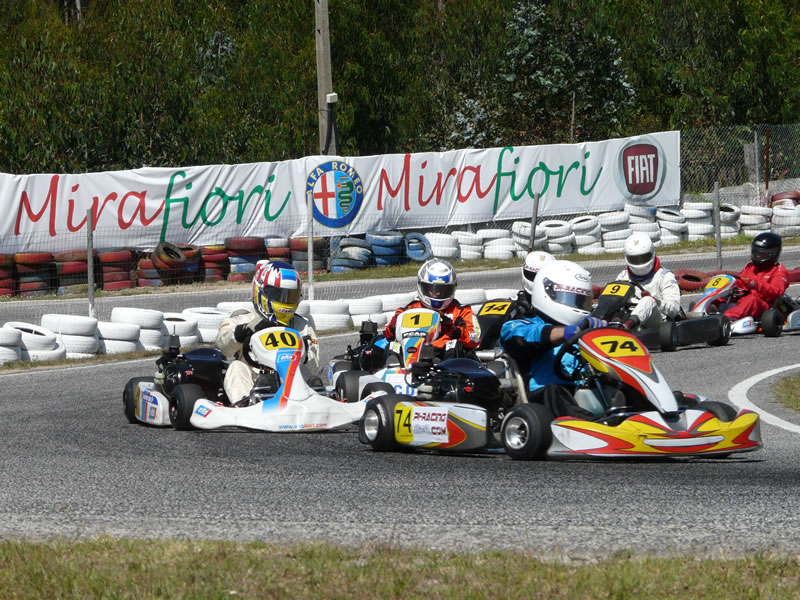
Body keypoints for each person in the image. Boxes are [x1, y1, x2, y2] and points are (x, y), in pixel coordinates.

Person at [499, 260, 608, 418]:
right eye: (574, 300)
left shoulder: (587, 328)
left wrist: (610, 331)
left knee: (622, 385)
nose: (579, 306)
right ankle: (597, 428)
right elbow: (526, 337)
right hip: (542, 404)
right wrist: (568, 332)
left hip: (587, 392)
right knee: (555, 392)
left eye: (582, 301)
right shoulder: (519, 325)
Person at [216, 259, 320, 406]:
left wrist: (304, 350)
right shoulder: (242, 320)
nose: (284, 300)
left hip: (291, 378)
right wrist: (241, 333)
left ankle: (312, 402)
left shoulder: (301, 325)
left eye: (290, 296)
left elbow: (313, 366)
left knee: (305, 371)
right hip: (254, 380)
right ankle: (246, 406)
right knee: (236, 367)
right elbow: (223, 347)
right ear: (261, 291)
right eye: (279, 294)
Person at [384, 258, 481, 356]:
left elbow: (475, 338)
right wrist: (393, 326)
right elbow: (387, 335)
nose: (437, 293)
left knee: (453, 345)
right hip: (413, 352)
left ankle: (447, 370)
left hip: (444, 356)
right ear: (422, 286)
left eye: (442, 289)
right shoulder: (407, 311)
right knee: (390, 346)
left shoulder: (461, 311)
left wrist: (456, 331)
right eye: (432, 289)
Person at [614, 232, 681, 330]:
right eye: (634, 259)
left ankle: (626, 328)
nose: (639, 262)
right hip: (626, 317)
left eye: (643, 258)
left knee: (647, 300)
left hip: (657, 323)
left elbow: (674, 309)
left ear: (652, 254)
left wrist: (656, 301)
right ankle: (599, 325)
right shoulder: (623, 276)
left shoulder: (664, 276)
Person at [723, 232, 788, 321]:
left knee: (751, 300)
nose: (758, 256)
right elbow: (741, 282)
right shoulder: (750, 267)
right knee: (719, 296)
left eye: (762, 254)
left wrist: (756, 285)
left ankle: (726, 319)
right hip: (742, 299)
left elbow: (777, 291)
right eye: (756, 253)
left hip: (764, 306)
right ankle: (705, 313)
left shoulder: (778, 271)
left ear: (773, 254)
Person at [516, 250, 555, 316]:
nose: (537, 281)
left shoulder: (560, 302)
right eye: (533, 276)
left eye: (543, 277)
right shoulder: (515, 306)